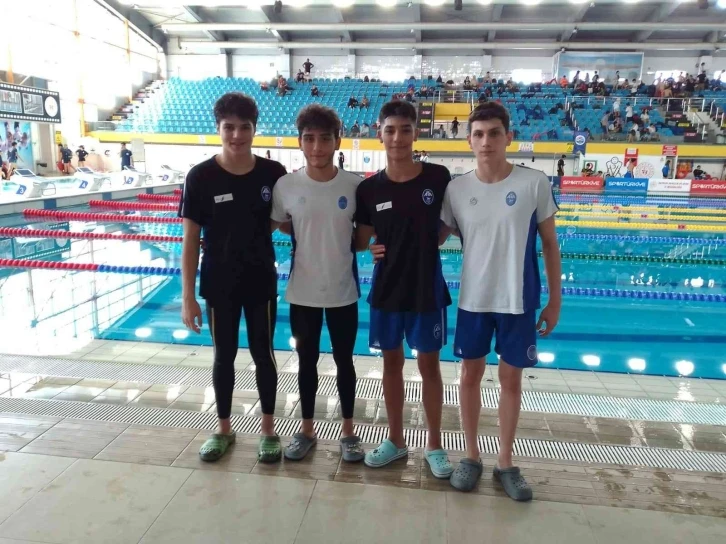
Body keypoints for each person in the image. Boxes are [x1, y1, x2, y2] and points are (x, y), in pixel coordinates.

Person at [439, 102, 561, 498]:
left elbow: (550, 244)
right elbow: (432, 238)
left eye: (494, 133)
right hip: (473, 299)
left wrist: (555, 300)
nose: (486, 141)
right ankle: (471, 455)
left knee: (511, 380)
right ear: (469, 140)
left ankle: (505, 461)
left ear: (509, 137)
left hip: (518, 299)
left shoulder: (533, 183)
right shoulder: (456, 189)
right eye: (478, 134)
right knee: (469, 376)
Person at [179, 92, 287, 464]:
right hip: (218, 282)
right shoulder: (200, 176)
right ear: (219, 128)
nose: (237, 135)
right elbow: (190, 239)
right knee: (223, 356)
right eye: (229, 127)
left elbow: (285, 220)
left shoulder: (273, 173)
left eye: (244, 127)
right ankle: (223, 429)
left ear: (255, 129)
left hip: (260, 280)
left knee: (263, 355)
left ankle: (268, 430)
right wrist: (188, 296)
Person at [355, 100, 453, 477]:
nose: (398, 138)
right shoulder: (369, 189)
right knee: (391, 364)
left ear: (416, 132)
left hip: (427, 288)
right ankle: (395, 440)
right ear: (379, 133)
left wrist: (429, 242)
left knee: (430, 366)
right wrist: (370, 247)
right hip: (387, 289)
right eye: (390, 130)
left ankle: (434, 445)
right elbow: (362, 239)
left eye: (405, 130)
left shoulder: (438, 177)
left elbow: (448, 224)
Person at [270, 104, 365, 463]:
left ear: (338, 141)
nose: (317, 147)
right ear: (300, 142)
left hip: (343, 290)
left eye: (325, 138)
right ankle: (307, 429)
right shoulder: (286, 186)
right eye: (309, 138)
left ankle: (349, 432)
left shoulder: (354, 186)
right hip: (303, 291)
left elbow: (363, 237)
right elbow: (279, 222)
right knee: (305, 361)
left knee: (345, 361)